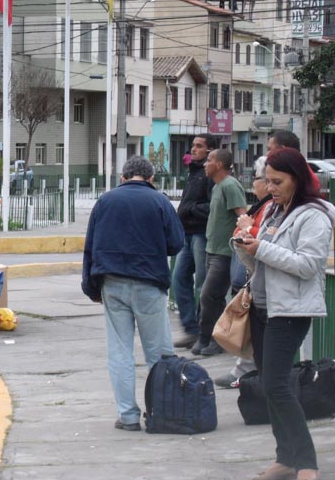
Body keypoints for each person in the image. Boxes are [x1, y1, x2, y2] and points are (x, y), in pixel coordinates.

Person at [234, 148, 334, 480]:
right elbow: (262, 264)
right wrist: (246, 245)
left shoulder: (315, 214)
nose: (270, 188)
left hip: (291, 310)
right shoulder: (275, 211)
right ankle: (285, 457)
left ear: (297, 178)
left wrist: (262, 247)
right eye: (267, 181)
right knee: (268, 383)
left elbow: (307, 266)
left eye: (278, 181)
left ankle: (307, 463)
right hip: (264, 307)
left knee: (277, 385)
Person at [82, 156, 184, 432]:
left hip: (112, 283)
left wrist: (90, 287)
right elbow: (176, 243)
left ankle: (127, 416)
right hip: (150, 284)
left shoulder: (105, 201)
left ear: (123, 178)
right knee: (158, 353)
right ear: (151, 178)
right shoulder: (160, 201)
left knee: (120, 351)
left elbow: (90, 246)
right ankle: (161, 412)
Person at [214, 156, 272, 388]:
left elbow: (262, 236)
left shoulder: (270, 205)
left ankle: (249, 373)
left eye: (257, 179)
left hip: (262, 277)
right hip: (254, 275)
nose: (255, 184)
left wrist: (248, 227)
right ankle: (246, 370)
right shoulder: (264, 205)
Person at [191, 148, 246, 356]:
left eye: (210, 160)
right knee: (212, 297)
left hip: (225, 252)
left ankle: (213, 338)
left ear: (220, 165)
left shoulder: (230, 185)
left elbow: (242, 216)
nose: (205, 164)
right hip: (211, 250)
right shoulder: (217, 187)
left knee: (209, 295)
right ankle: (209, 337)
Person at [172, 134, 218, 348]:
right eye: (193, 146)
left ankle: (205, 332)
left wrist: (189, 209)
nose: (194, 149)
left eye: (199, 146)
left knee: (203, 284)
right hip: (186, 234)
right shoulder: (192, 173)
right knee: (179, 279)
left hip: (201, 234)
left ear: (210, 151)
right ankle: (190, 329)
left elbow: (213, 207)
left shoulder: (210, 175)